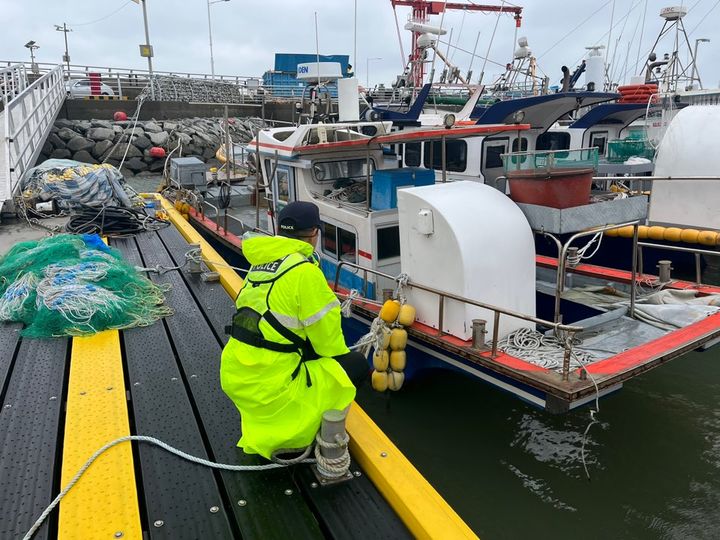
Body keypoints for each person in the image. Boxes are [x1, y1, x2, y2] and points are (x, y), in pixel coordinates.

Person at [220, 201, 368, 460]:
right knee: (354, 365)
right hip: (270, 386)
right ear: (314, 233)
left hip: (238, 373)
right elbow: (329, 346)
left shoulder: (260, 265)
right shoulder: (305, 272)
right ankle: (304, 428)